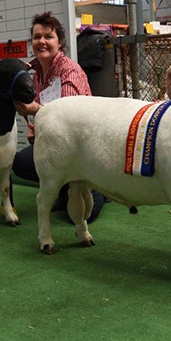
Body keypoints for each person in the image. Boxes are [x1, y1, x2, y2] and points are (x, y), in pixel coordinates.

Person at [13, 12, 105, 223]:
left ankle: (98, 188)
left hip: (82, 146)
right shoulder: (36, 73)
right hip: (57, 143)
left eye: (48, 37)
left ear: (60, 42)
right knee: (20, 163)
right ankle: (63, 185)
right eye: (37, 37)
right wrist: (33, 128)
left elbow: (67, 115)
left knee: (81, 217)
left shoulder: (69, 70)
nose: (42, 42)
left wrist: (35, 109)